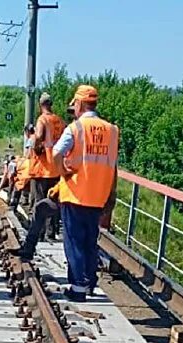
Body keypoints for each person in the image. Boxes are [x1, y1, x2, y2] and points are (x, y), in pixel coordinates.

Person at [53, 85, 119, 302]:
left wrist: (63, 172)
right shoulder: (112, 130)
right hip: (98, 195)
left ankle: (78, 288)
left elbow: (56, 153)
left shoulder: (76, 128)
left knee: (74, 241)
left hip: (75, 193)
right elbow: (113, 167)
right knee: (91, 241)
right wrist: (112, 195)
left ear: (79, 104)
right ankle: (89, 283)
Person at [28, 93, 66, 240]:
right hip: (56, 168)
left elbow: (38, 136)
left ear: (40, 104)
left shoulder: (42, 119)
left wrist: (37, 147)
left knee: (40, 202)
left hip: (43, 167)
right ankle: (52, 232)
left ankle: (39, 234)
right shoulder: (59, 121)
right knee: (54, 202)